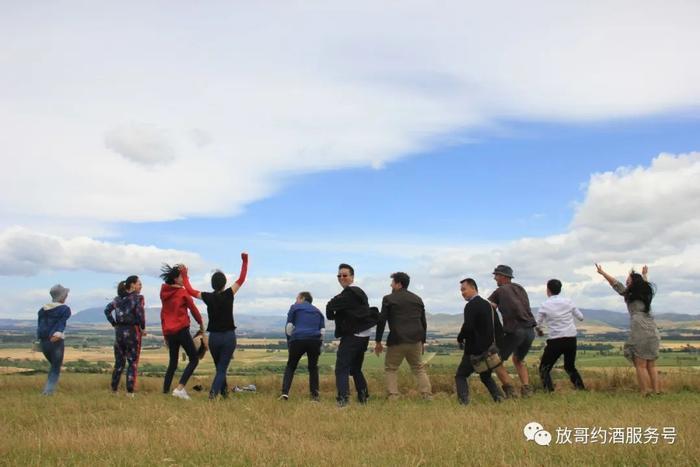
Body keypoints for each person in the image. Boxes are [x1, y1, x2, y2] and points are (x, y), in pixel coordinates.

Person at [179, 253, 248, 400]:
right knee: (222, 369)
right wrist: (245, 260)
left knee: (219, 368)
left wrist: (185, 275)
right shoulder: (230, 293)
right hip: (228, 337)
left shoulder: (208, 297)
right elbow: (241, 279)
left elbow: (190, 290)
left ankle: (224, 394)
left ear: (212, 284)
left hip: (214, 339)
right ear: (224, 283)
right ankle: (212, 395)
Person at [596, 264, 661, 396]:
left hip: (640, 330)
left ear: (633, 283)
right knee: (651, 365)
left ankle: (645, 392)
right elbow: (643, 285)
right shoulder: (646, 295)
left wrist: (603, 273)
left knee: (640, 364)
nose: (626, 282)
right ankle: (656, 391)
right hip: (653, 330)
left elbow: (615, 284)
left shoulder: (629, 294)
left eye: (628, 280)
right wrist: (644, 276)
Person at [326, 263, 379, 407]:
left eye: (345, 275)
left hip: (353, 336)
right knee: (355, 368)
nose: (341, 278)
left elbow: (330, 308)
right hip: (364, 336)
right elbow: (332, 310)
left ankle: (343, 399)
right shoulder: (358, 293)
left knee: (341, 368)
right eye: (339, 275)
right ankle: (363, 397)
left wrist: (334, 302)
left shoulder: (350, 293)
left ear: (352, 277)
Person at [374, 272, 432, 399]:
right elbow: (423, 322)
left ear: (399, 284)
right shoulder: (418, 299)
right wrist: (422, 341)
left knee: (391, 369)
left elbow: (382, 321)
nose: (391, 285)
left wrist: (378, 341)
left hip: (397, 340)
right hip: (416, 340)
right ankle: (427, 395)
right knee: (418, 369)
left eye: (392, 282)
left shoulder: (388, 299)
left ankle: (393, 396)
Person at [487, 265, 537, 398]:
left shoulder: (500, 291)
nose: (495, 278)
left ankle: (511, 391)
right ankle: (527, 390)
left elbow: (489, 308)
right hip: (530, 331)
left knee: (495, 360)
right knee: (518, 359)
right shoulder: (520, 288)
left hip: (515, 330)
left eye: (496, 275)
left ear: (503, 276)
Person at [160, 263, 205, 400]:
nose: (185, 279)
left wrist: (165, 335)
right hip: (181, 330)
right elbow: (193, 309)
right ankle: (180, 388)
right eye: (182, 277)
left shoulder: (164, 294)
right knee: (194, 359)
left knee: (173, 362)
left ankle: (165, 391)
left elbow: (163, 315)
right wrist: (201, 324)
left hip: (169, 332)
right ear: (175, 279)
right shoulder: (182, 293)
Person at [455, 278, 504, 405]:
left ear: (473, 288)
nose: (462, 293)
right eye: (461, 290)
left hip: (474, 350)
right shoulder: (488, 305)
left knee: (461, 375)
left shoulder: (470, 305)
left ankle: (464, 403)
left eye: (464, 289)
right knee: (485, 376)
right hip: (488, 349)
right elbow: (498, 327)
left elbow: (468, 326)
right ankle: (499, 399)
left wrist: (460, 338)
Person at [536, 279, 585, 392]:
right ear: (560, 289)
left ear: (548, 290)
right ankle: (580, 388)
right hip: (571, 339)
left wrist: (539, 331)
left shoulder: (544, 305)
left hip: (555, 340)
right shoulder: (568, 302)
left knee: (544, 368)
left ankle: (549, 391)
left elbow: (537, 324)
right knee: (569, 366)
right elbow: (581, 317)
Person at [104, 275, 146, 396]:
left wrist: (114, 323)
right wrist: (142, 328)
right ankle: (130, 391)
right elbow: (140, 315)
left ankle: (114, 389)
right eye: (139, 283)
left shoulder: (117, 300)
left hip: (119, 332)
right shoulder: (138, 298)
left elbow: (107, 310)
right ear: (132, 284)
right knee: (132, 362)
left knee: (119, 362)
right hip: (132, 331)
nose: (141, 285)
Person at [280, 291, 325, 401]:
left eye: (297, 298)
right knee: (313, 368)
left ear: (302, 298)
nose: (296, 301)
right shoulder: (318, 311)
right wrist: (318, 345)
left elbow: (289, 327)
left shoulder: (295, 307)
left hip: (298, 339)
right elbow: (322, 331)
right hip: (314, 340)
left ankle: (285, 393)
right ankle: (315, 396)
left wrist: (290, 342)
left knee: (291, 366)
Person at [36, 284, 72, 395]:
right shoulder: (64, 309)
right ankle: (48, 392)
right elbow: (62, 323)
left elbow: (40, 325)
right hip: (56, 340)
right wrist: (58, 333)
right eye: (65, 295)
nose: (66, 297)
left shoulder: (42, 310)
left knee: (54, 366)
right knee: (56, 367)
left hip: (43, 341)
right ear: (62, 297)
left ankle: (49, 389)